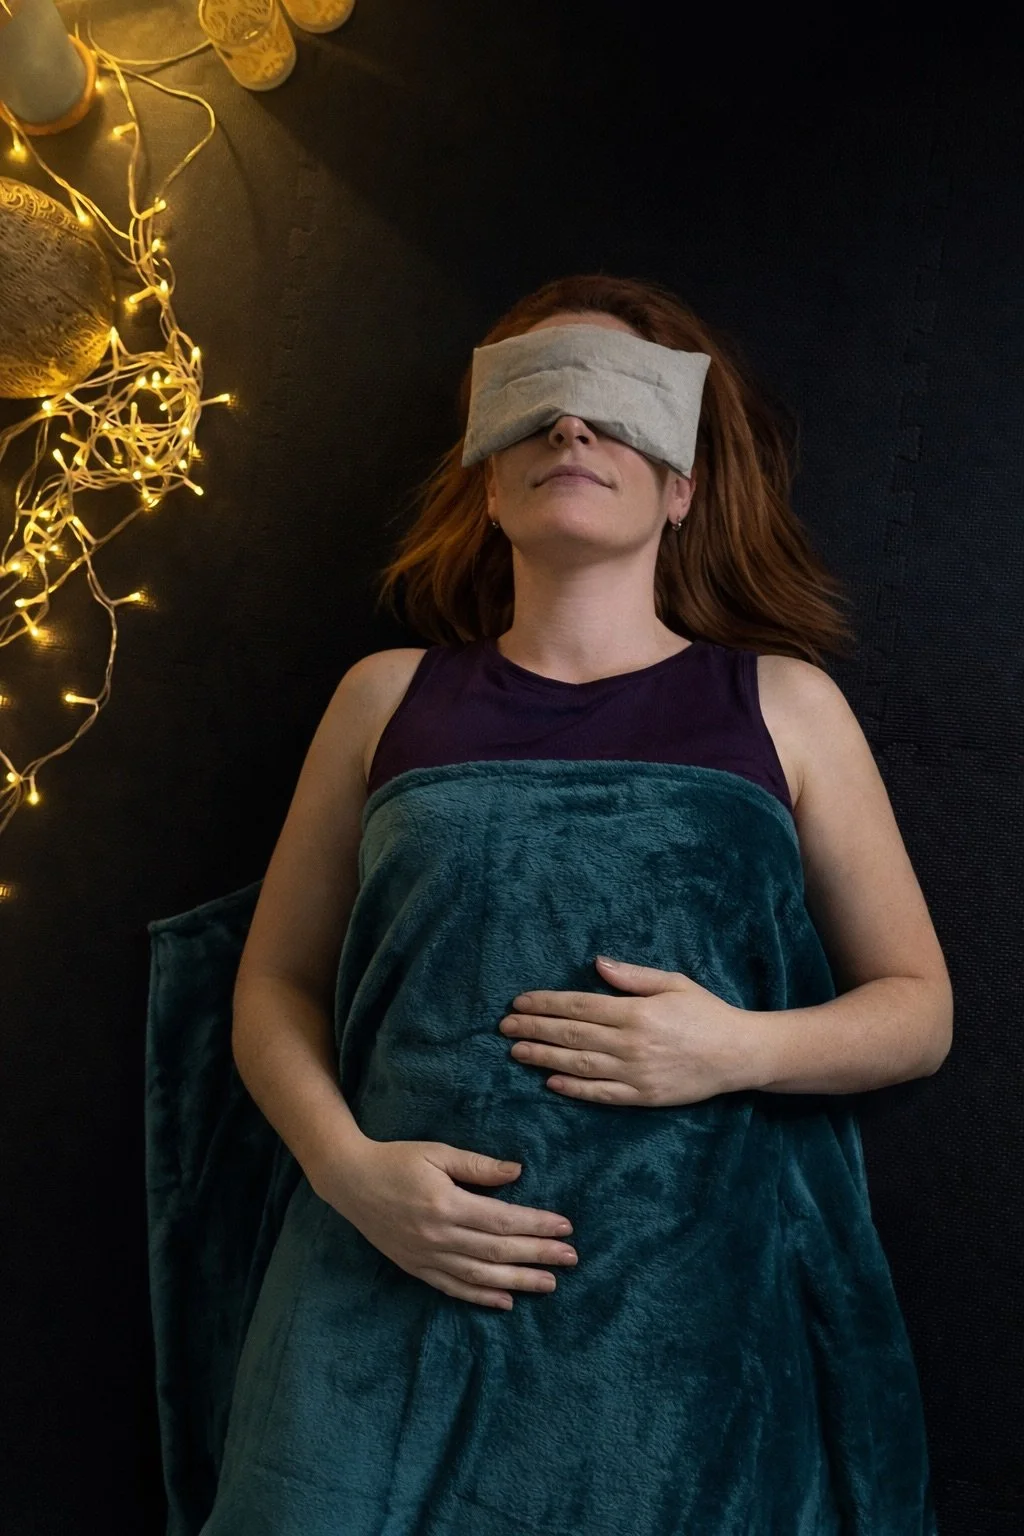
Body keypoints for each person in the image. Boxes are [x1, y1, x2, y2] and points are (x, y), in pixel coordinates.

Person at [199, 273, 948, 1534]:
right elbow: (272, 982)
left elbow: (917, 1009)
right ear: (490, 481)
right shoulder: (384, 698)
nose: (572, 429)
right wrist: (346, 1171)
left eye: (616, 408)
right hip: (380, 1291)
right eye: (534, 406)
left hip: (680, 1323)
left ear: (681, 485)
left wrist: (734, 1044)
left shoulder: (783, 706)